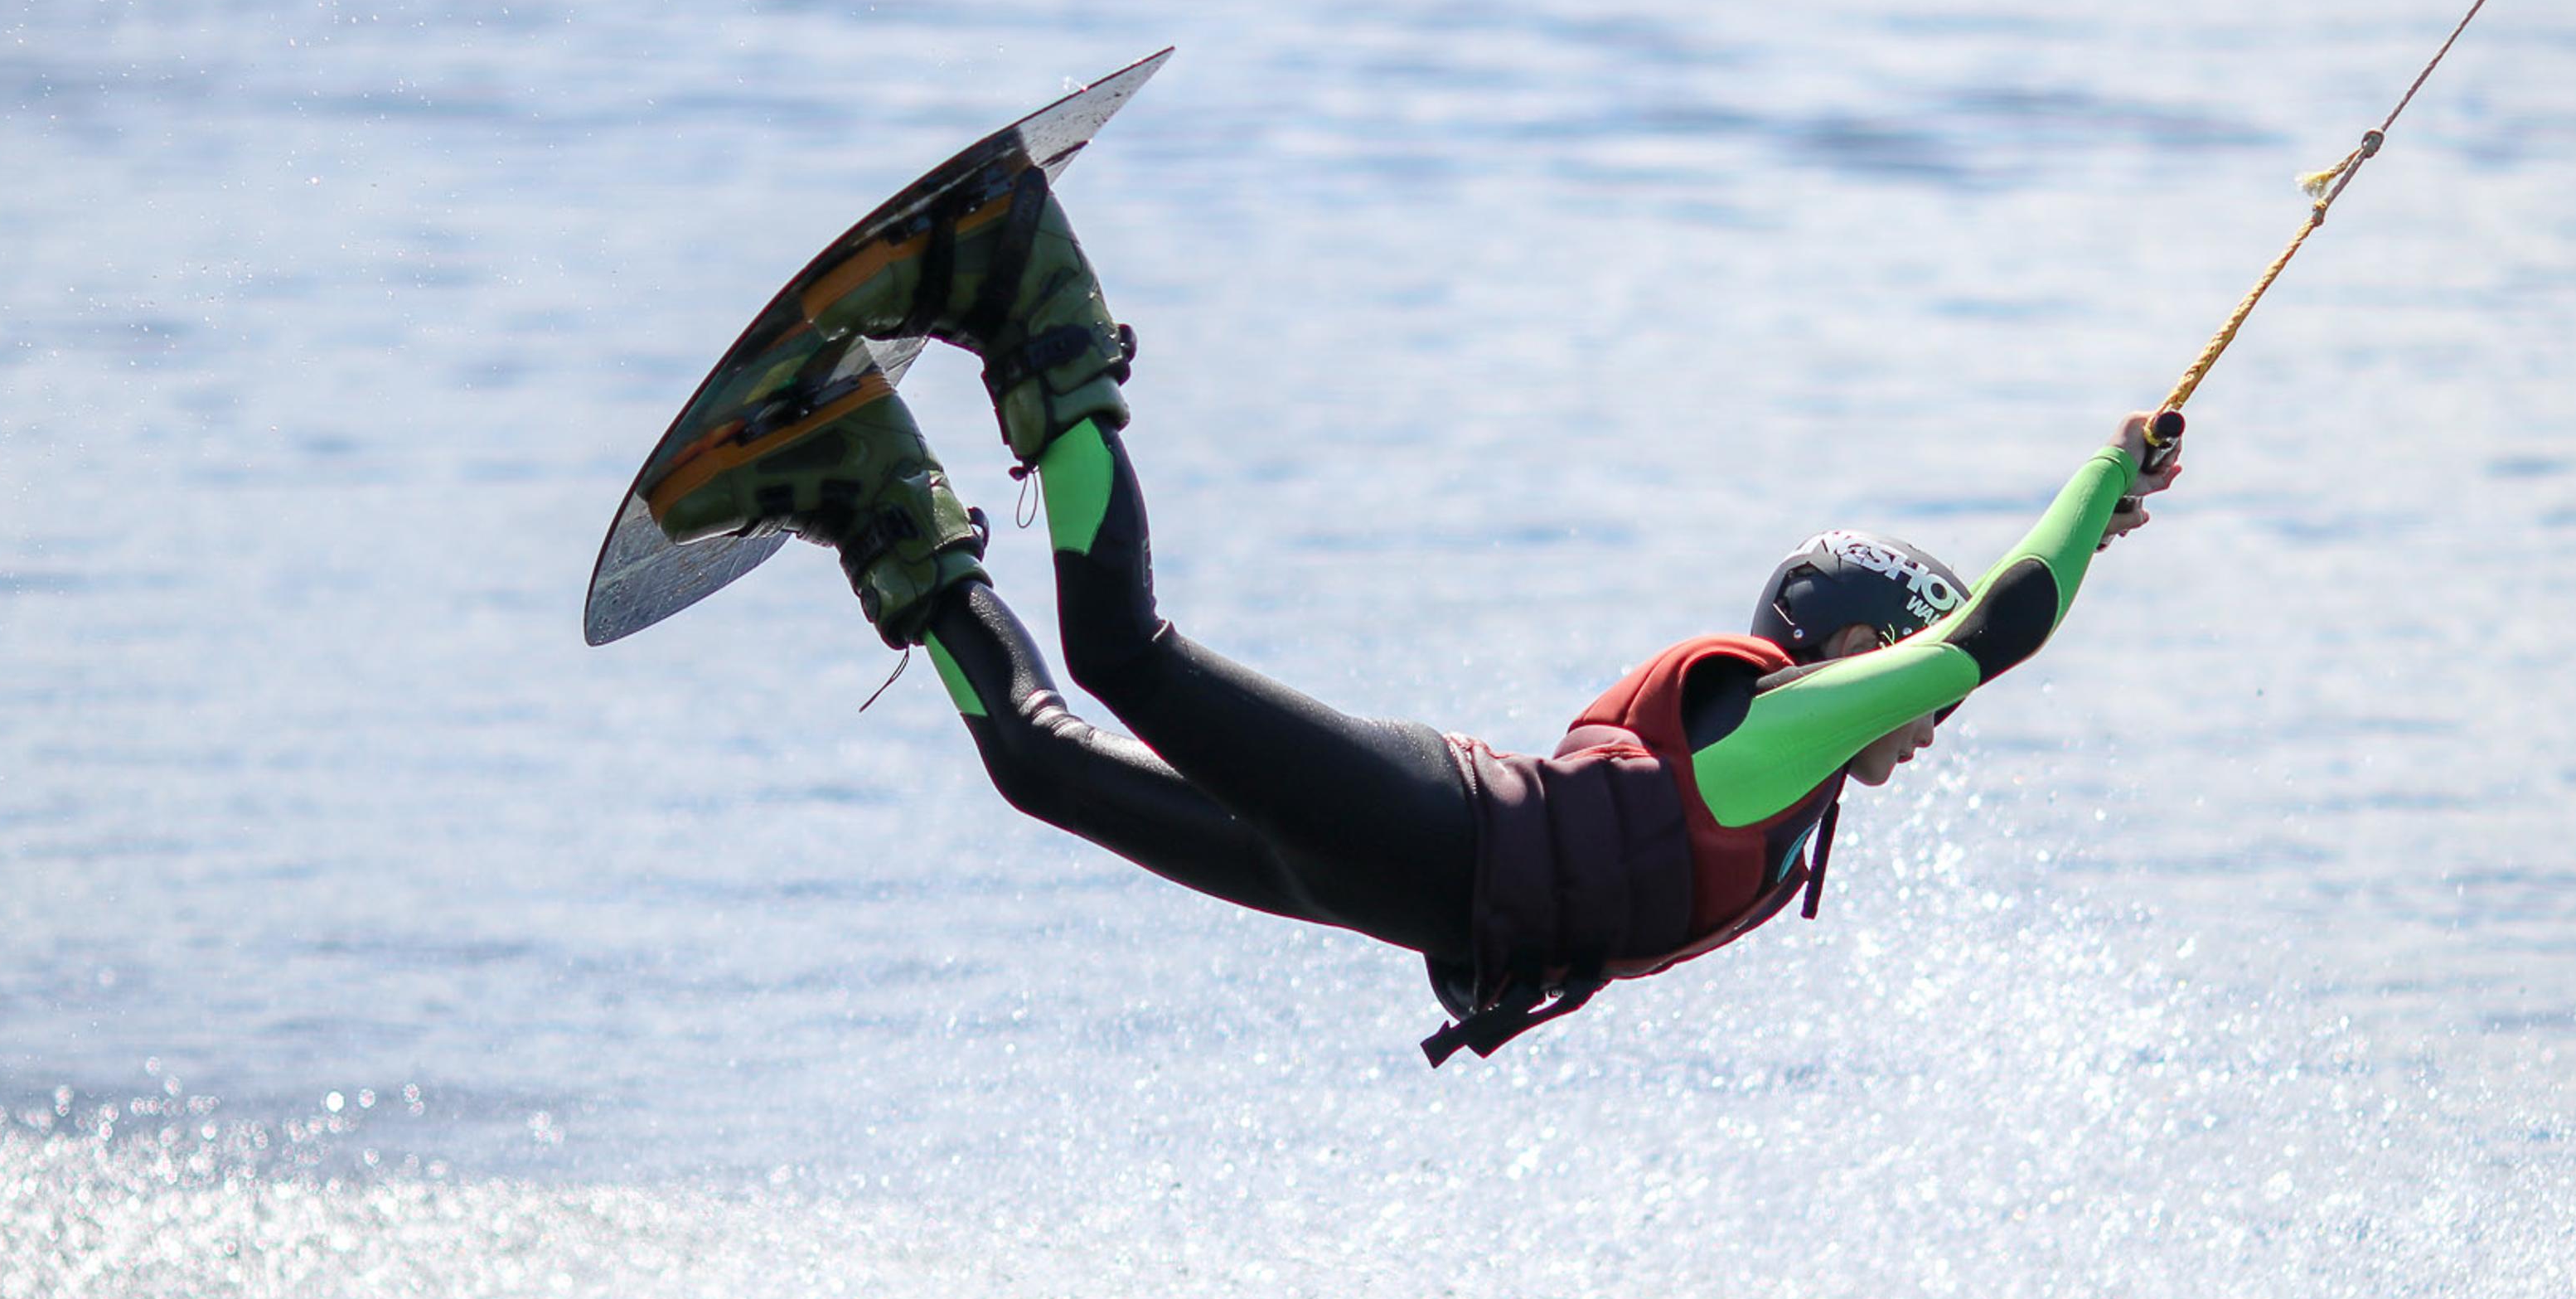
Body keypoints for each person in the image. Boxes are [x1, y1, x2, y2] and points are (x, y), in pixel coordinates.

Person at [650, 167, 2181, 1062]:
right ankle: (1024, 298)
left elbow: (1977, 648)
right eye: (1912, 692)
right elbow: (1999, 625)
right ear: (1850, 652)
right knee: (1126, 655)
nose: (1930, 729)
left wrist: (2102, 533)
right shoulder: (1773, 732)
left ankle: (862, 480)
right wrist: (2101, 483)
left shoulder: (1806, 765)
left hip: (1410, 897)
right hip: (1442, 834)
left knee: (1037, 765)